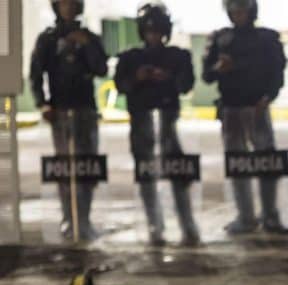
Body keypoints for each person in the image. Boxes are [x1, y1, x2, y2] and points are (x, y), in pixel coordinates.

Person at [115, 2, 200, 246]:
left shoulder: (177, 56)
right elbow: (121, 85)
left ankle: (187, 224)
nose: (155, 36)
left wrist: (169, 78)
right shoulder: (131, 58)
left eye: (159, 31)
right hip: (141, 121)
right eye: (150, 31)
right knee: (146, 173)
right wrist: (137, 77)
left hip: (169, 121)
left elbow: (187, 84)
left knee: (177, 172)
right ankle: (154, 226)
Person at [203, 0, 288, 235]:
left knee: (267, 163)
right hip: (231, 109)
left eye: (242, 9)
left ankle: (271, 215)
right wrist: (218, 68)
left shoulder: (267, 38)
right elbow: (206, 75)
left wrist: (269, 96)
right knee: (238, 165)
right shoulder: (220, 38)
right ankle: (245, 216)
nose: (238, 14)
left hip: (258, 108)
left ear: (251, 11)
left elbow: (278, 70)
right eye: (234, 10)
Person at [30, 0, 108, 241]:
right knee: (65, 169)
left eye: (72, 3)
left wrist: (87, 47)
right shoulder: (48, 39)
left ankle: (84, 219)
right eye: (63, 3)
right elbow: (35, 73)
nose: (68, 8)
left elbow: (102, 69)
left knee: (87, 167)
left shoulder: (90, 38)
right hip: (60, 110)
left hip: (85, 109)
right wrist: (43, 103)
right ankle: (69, 219)